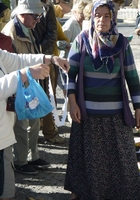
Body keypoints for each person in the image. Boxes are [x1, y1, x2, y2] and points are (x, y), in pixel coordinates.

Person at [64, 1, 140, 199]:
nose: (102, 20)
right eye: (97, 15)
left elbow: (132, 77)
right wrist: (72, 102)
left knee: (121, 159)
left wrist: (138, 108)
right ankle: (86, 192)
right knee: (90, 160)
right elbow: (70, 74)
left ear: (113, 18)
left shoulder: (122, 43)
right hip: (87, 114)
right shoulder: (81, 40)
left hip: (115, 115)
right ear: (92, 17)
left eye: (106, 15)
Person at [0, 50, 69, 200]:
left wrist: (50, 58)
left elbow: (18, 60)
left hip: (3, 136)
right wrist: (24, 74)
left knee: (6, 189)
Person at [2, 0, 52, 175]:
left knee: (34, 119)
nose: (38, 20)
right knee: (22, 125)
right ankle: (21, 161)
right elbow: (13, 62)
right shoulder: (11, 31)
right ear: (23, 14)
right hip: (18, 85)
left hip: (29, 82)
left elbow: (27, 56)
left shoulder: (27, 28)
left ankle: (33, 157)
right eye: (36, 16)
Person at [35, 0, 66, 144]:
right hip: (33, 59)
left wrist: (40, 54)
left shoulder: (48, 8)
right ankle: (47, 132)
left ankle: (49, 131)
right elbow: (52, 33)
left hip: (44, 59)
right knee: (40, 97)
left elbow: (52, 34)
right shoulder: (45, 7)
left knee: (47, 97)